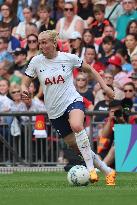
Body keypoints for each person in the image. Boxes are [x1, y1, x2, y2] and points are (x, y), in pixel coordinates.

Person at [21, 30, 116, 185]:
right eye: (40, 42)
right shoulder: (36, 61)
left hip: (72, 101)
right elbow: (25, 81)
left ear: (54, 42)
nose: (41, 45)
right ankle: (108, 171)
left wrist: (105, 87)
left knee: (77, 125)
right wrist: (24, 89)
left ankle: (91, 170)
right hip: (54, 111)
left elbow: (90, 70)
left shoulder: (68, 58)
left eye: (45, 42)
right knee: (77, 147)